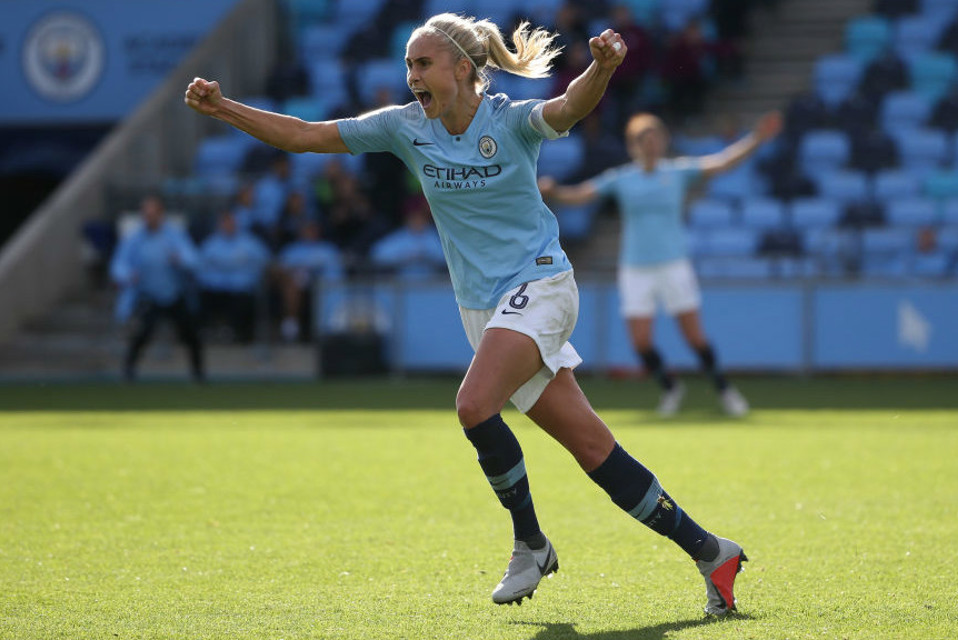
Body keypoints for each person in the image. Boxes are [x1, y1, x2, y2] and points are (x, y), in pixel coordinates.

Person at [186, 12, 748, 616]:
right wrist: (227, 110)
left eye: (422, 63)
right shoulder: (405, 127)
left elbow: (566, 108)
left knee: (472, 405)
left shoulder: (508, 120)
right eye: (407, 64)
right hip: (484, 309)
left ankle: (531, 543)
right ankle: (711, 551)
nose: (412, 76)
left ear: (461, 68)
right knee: (594, 450)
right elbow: (303, 135)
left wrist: (602, 67)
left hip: (542, 283)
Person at [540, 110, 782, 417]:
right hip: (636, 268)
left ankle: (724, 390)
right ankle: (671, 387)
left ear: (664, 142)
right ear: (633, 145)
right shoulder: (623, 178)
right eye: (643, 139)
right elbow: (584, 194)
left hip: (674, 265)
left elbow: (721, 162)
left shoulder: (678, 172)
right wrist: (555, 191)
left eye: (655, 138)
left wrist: (757, 138)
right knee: (640, 342)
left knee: (694, 337)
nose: (650, 145)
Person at [110, 195, 204, 382]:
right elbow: (118, 265)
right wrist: (128, 275)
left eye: (153, 213)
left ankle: (198, 373)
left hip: (174, 293)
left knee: (190, 333)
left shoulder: (174, 236)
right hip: (148, 295)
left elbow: (193, 259)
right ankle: (128, 371)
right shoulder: (134, 239)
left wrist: (180, 259)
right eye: (146, 213)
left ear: (161, 214)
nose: (149, 217)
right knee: (142, 334)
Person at [196, 209, 272, 344]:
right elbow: (200, 265)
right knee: (202, 295)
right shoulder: (211, 243)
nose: (228, 225)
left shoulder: (250, 242)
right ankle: (207, 330)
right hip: (216, 288)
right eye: (225, 222)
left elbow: (265, 260)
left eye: (231, 222)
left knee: (243, 300)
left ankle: (237, 332)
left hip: (241, 289)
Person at [274, 219, 344, 342]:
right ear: (301, 232)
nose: (311, 232)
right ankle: (291, 326)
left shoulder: (329, 249)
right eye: (307, 229)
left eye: (313, 229)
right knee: (292, 285)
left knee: (333, 291)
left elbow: (337, 274)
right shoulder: (291, 250)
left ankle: (329, 332)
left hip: (324, 285)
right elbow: (279, 270)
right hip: (298, 283)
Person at [368, 196, 447, 280]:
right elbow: (377, 254)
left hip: (433, 286)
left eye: (421, 216)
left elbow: (448, 256)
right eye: (414, 216)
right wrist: (405, 255)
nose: (418, 220)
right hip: (403, 286)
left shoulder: (433, 235)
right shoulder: (400, 236)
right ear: (408, 217)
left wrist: (426, 255)